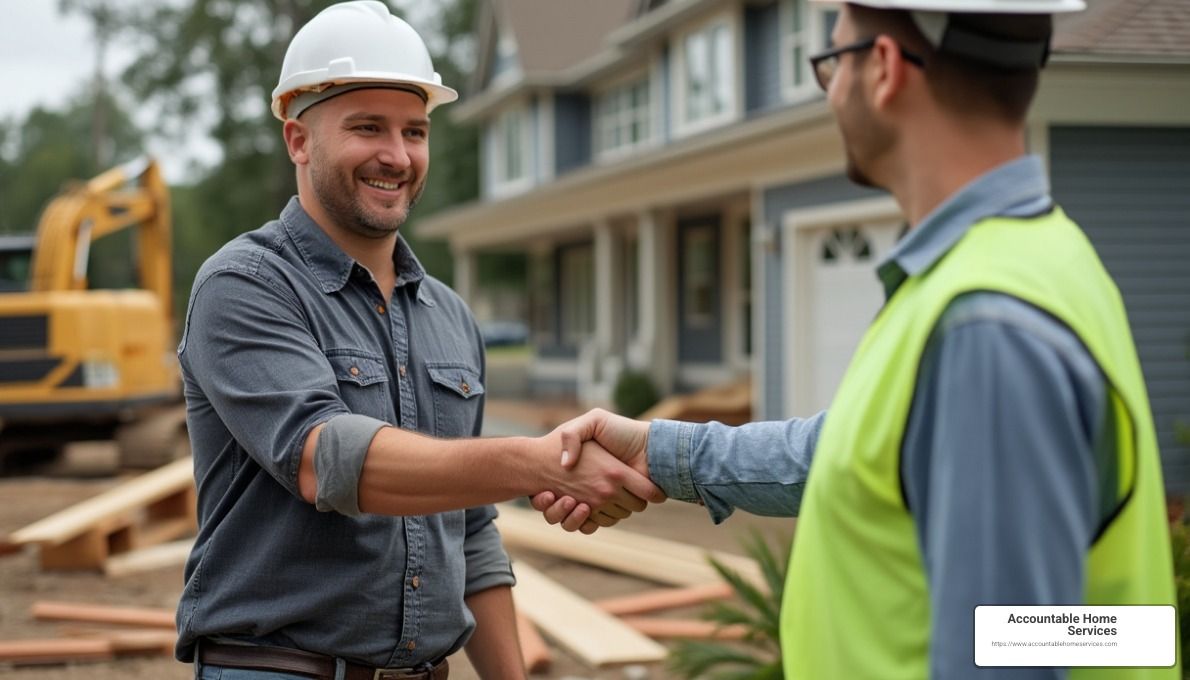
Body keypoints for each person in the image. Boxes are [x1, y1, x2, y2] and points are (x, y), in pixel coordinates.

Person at [536, 1, 1180, 678]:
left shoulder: (985, 321)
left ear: (883, 69)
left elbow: (1011, 644)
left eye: (829, 63)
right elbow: (863, 456)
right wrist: (665, 450)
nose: (829, 91)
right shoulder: (1039, 258)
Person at [175, 3, 664, 679]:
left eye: (415, 130)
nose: (397, 156)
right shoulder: (245, 286)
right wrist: (537, 462)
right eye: (367, 128)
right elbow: (327, 460)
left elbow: (469, 532)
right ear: (298, 139)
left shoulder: (450, 318)